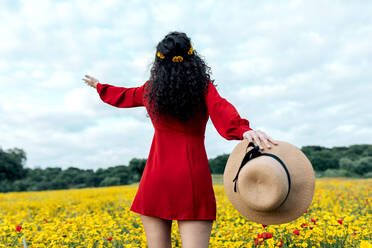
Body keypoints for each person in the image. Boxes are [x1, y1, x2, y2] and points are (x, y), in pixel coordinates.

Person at [83, 31, 278, 248]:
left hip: (156, 178)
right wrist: (242, 129)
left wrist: (100, 86)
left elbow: (123, 96)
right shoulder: (202, 87)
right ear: (193, 59)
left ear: (159, 62)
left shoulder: (150, 90)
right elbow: (220, 108)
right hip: (191, 178)